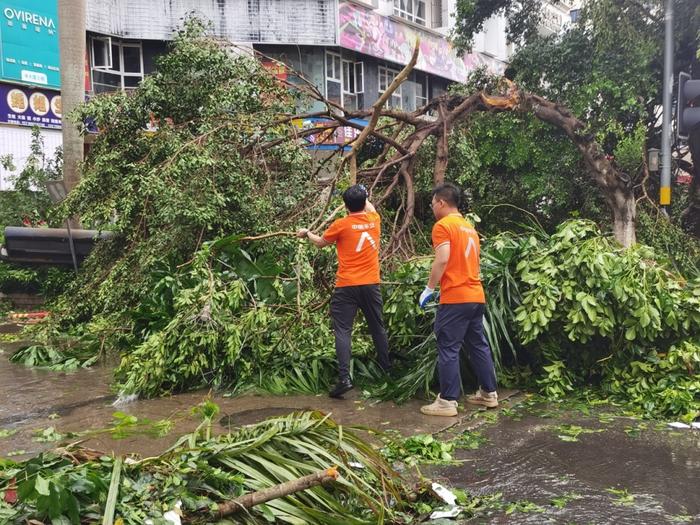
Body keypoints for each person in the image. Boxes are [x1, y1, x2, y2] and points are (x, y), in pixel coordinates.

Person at [297, 184, 391, 398]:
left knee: (343, 331)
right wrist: (363, 193)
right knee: (377, 327)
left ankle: (344, 379)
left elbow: (321, 243)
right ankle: (386, 370)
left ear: (345, 205)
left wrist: (307, 233)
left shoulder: (341, 224)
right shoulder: (374, 220)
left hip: (346, 285)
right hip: (370, 284)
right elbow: (371, 207)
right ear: (364, 202)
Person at [418, 183, 498, 417]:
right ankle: (489, 393)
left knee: (448, 347)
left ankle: (447, 401)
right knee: (478, 344)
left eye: (433, 204)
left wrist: (429, 288)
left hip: (455, 297)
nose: (432, 208)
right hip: (476, 295)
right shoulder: (468, 227)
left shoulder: (443, 226)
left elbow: (442, 259)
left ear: (442, 203)